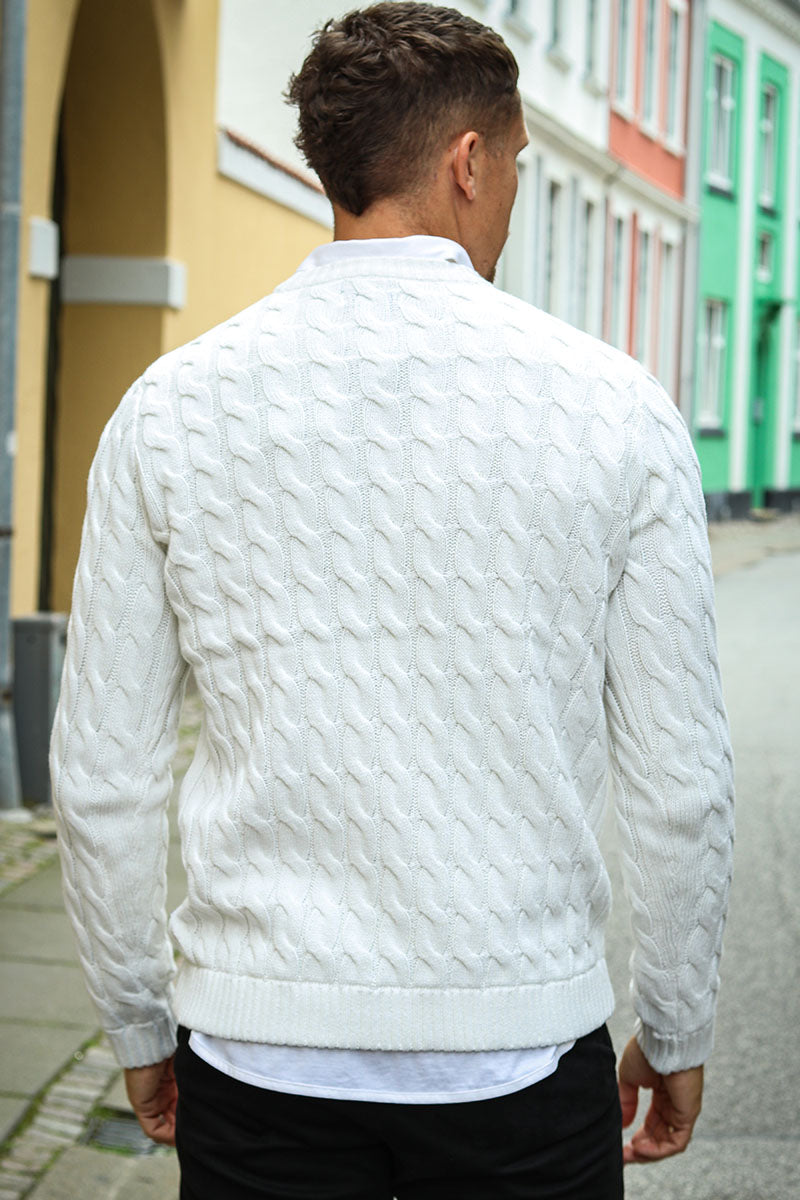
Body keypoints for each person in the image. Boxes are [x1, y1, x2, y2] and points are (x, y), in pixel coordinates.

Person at [49, 4, 735, 1197]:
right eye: (514, 164)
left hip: (257, 1064)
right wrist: (673, 1030)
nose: (510, 194)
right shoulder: (615, 412)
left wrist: (138, 1023)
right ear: (468, 162)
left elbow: (104, 776)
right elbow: (679, 783)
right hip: (520, 1060)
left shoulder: (169, 412)